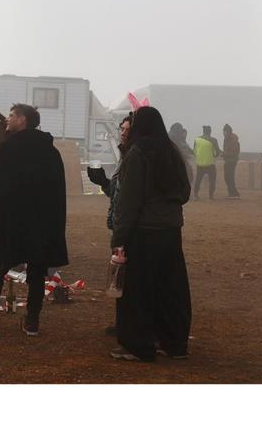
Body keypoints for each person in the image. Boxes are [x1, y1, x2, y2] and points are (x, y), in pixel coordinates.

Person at [0, 103, 68, 338]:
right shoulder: (50, 151)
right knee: (37, 271)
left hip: (10, 221)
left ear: (23, 120)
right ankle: (32, 321)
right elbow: (56, 191)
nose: (7, 120)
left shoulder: (7, 148)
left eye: (11, 116)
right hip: (41, 223)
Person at [109, 105, 192, 362]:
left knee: (137, 292)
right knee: (171, 289)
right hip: (170, 231)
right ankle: (174, 343)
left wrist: (119, 237)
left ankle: (138, 345)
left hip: (143, 233)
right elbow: (185, 193)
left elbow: (129, 201)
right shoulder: (172, 152)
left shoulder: (137, 154)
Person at [89, 113, 133, 336]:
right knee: (120, 279)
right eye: (122, 128)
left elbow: (129, 200)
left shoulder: (135, 159)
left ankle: (128, 326)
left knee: (129, 279)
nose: (122, 132)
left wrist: (121, 233)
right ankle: (122, 323)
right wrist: (103, 182)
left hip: (128, 229)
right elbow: (116, 194)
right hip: (119, 225)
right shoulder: (125, 158)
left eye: (127, 129)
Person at [192, 125, 221, 200]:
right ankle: (211, 196)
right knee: (212, 180)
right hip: (210, 163)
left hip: (200, 163)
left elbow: (194, 151)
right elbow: (217, 152)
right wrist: (214, 155)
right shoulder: (213, 140)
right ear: (210, 131)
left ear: (203, 131)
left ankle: (195, 195)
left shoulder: (197, 139)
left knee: (198, 179)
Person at [222, 124, 241, 199]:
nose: (223, 133)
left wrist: (225, 154)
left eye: (224, 131)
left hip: (231, 161)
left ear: (228, 131)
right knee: (227, 177)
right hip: (227, 160)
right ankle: (232, 193)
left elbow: (234, 152)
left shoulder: (233, 140)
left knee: (229, 177)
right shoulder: (226, 139)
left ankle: (234, 193)